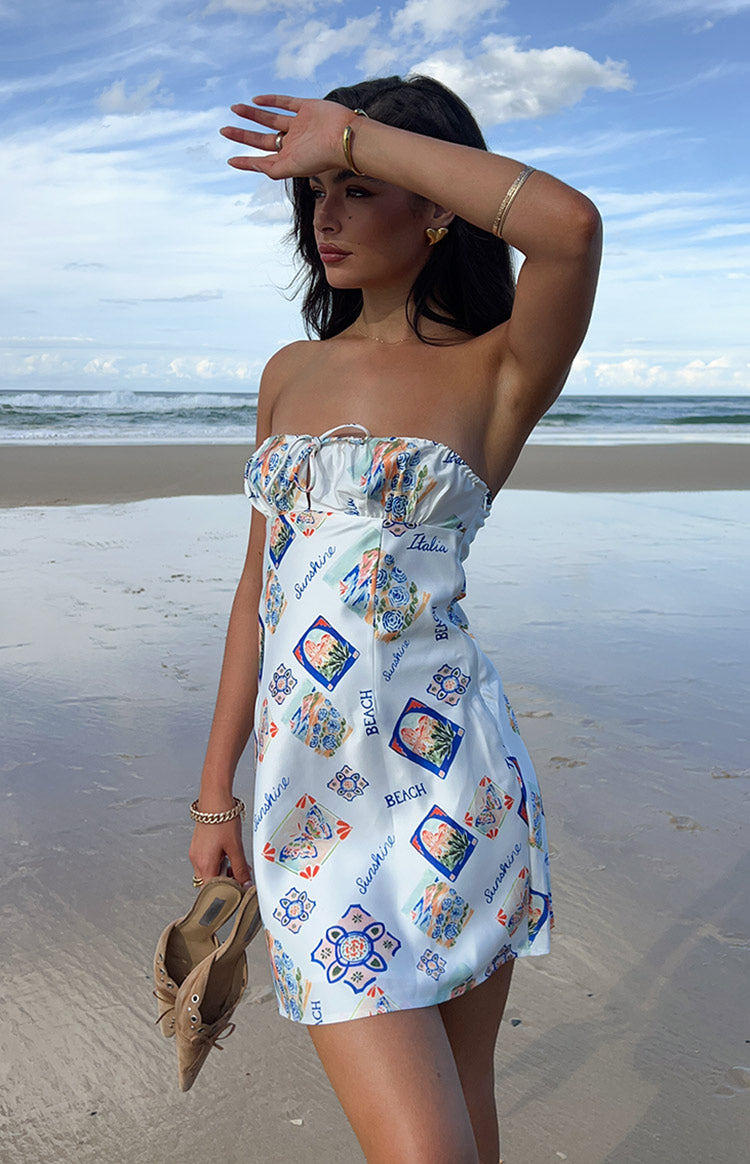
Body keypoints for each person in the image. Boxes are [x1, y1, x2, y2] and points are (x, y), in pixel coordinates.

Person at [188, 75, 601, 1164]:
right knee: (431, 1148)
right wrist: (212, 792)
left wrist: (360, 132)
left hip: (457, 788)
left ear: (434, 204)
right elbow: (255, 596)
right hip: (308, 806)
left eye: (355, 187)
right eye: (312, 190)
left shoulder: (497, 369)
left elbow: (567, 229)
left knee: (457, 1125)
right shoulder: (290, 371)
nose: (322, 214)